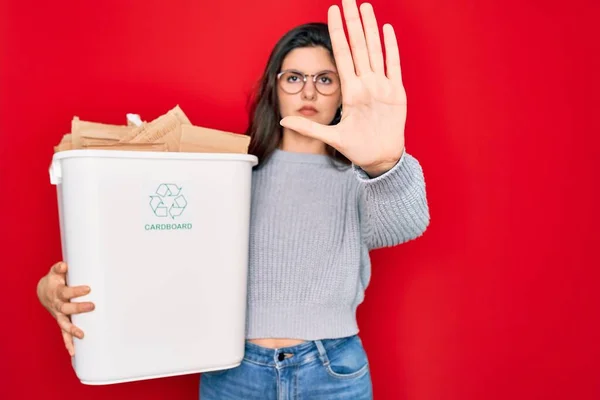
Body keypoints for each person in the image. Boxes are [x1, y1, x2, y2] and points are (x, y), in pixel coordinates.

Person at [36, 1, 430, 398]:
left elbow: (405, 223)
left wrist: (384, 162)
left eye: (325, 80)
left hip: (331, 372)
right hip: (233, 370)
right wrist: (49, 289)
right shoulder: (225, 175)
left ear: (343, 93)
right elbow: (147, 248)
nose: (308, 90)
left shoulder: (361, 181)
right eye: (294, 77)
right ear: (274, 87)